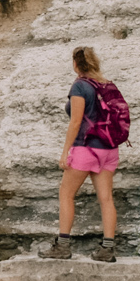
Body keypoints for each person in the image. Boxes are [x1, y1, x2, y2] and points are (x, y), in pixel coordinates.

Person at [50, 46, 119, 262]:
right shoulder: (107, 84)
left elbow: (76, 121)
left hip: (86, 148)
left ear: (76, 63)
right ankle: (107, 250)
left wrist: (65, 152)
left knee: (66, 194)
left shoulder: (80, 86)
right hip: (109, 149)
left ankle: (63, 246)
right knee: (106, 198)